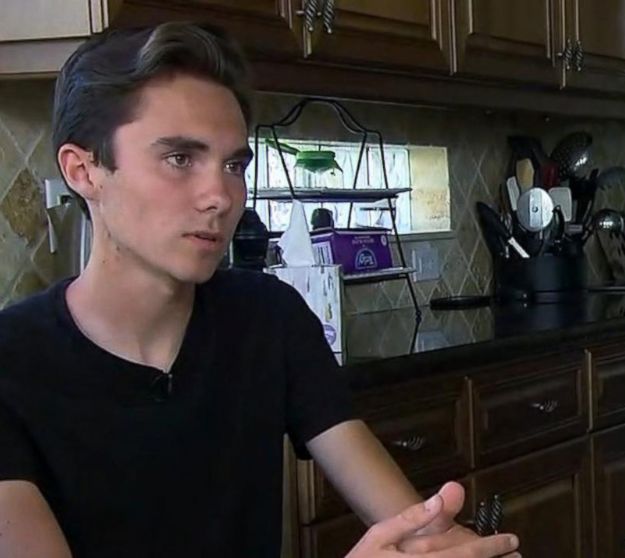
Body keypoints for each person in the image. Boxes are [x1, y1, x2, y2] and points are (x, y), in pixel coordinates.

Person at [0, 22, 519, 558]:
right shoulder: (11, 365)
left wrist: (444, 544)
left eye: (233, 165)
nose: (221, 196)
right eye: (181, 159)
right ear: (83, 170)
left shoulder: (267, 318)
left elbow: (408, 527)